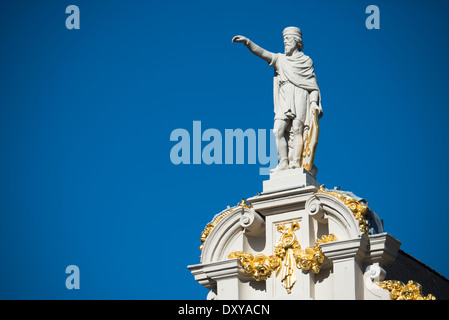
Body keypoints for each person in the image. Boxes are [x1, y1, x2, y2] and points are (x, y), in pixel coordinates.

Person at [232, 27, 322, 173]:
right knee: (278, 130)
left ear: (297, 41)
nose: (285, 43)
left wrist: (313, 103)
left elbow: (313, 86)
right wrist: (248, 42)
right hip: (285, 95)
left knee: (297, 129)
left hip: (300, 94)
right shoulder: (280, 59)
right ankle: (283, 162)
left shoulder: (306, 61)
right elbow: (262, 53)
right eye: (284, 40)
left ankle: (295, 162)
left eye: (288, 39)